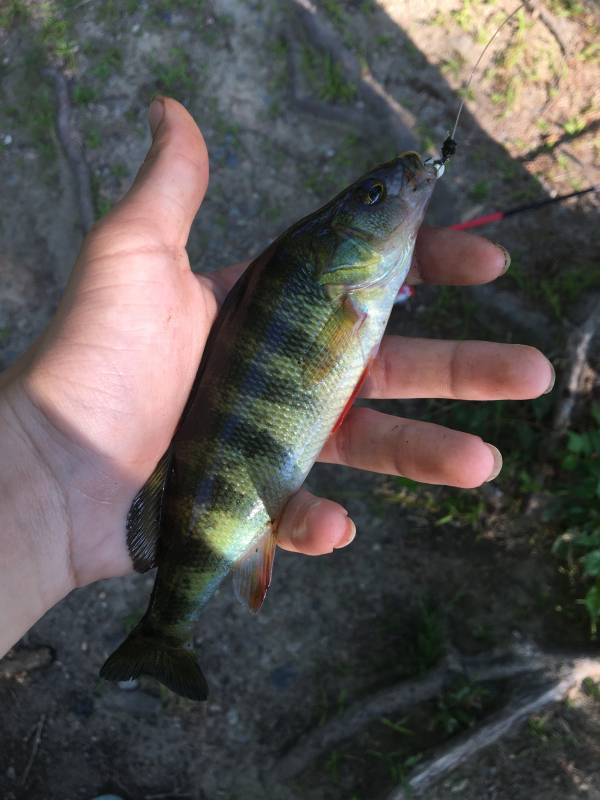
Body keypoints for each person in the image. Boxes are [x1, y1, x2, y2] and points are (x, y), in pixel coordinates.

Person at [0, 98, 554, 657]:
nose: (392, 188)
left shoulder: (339, 280)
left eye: (373, 195)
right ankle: (164, 632)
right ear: (338, 249)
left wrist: (40, 468)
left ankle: (166, 628)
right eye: (373, 196)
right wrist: (44, 463)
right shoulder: (337, 285)